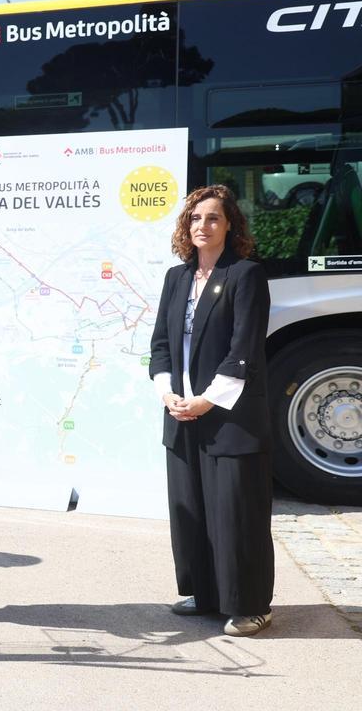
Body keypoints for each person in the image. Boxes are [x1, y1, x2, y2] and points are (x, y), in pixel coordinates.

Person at [148, 184, 275, 637]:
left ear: (229, 226)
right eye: (195, 219)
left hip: (229, 416)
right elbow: (160, 343)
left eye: (213, 218)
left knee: (236, 514)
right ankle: (205, 593)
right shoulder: (176, 278)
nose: (203, 226)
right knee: (192, 510)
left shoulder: (245, 275)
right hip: (181, 414)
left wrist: (207, 400)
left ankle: (251, 605)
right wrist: (168, 394)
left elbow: (244, 350)